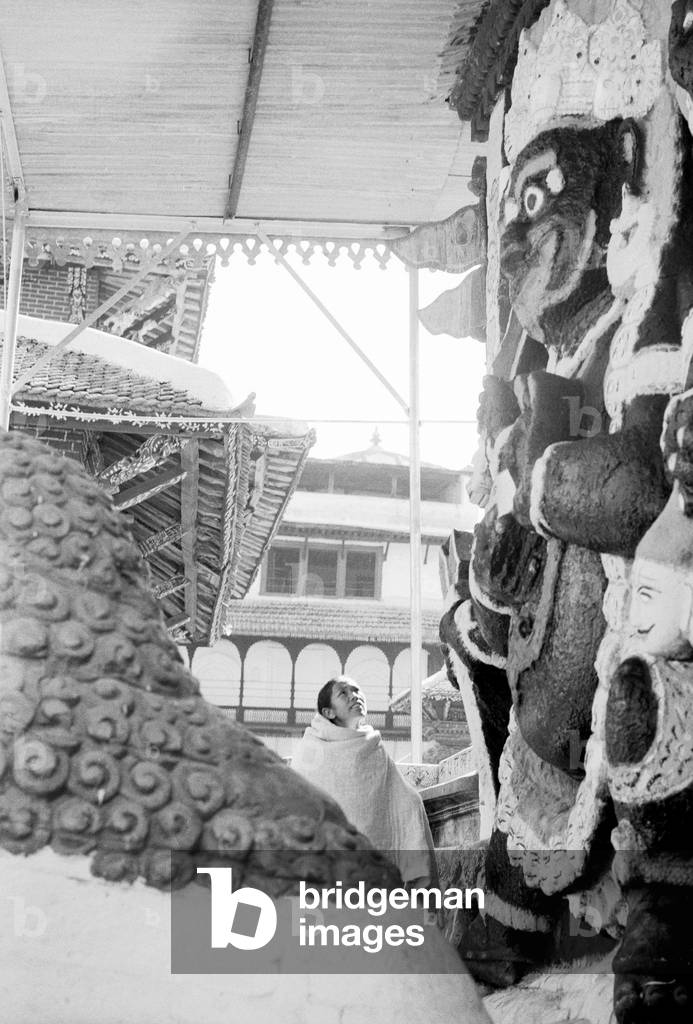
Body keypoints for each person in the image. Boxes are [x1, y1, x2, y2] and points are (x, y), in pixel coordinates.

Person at [291, 675, 437, 887]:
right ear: (328, 712)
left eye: (357, 691)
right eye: (343, 693)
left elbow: (400, 796)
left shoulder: (372, 745)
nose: (354, 696)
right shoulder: (311, 748)